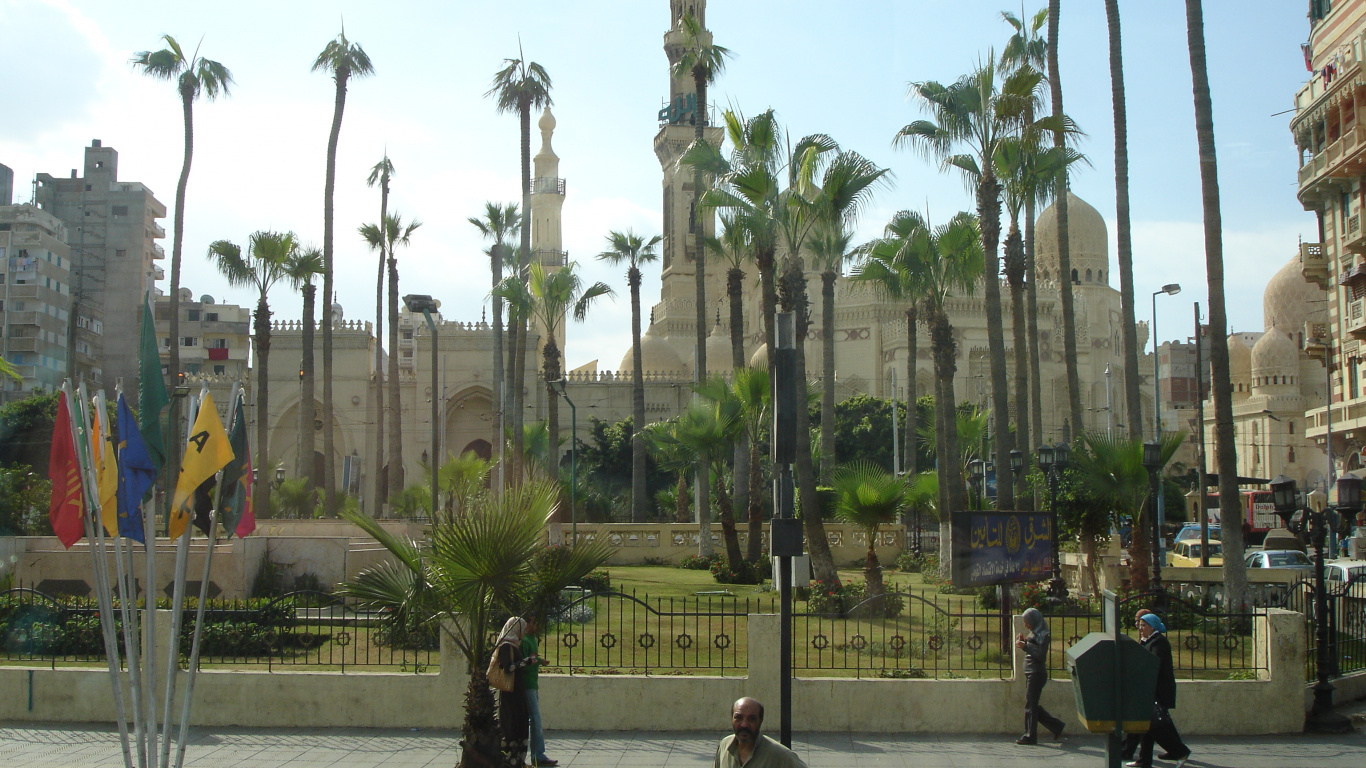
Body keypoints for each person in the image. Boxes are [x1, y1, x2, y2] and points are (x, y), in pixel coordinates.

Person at [1123, 612, 1191, 768]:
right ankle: (1144, 760)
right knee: (1147, 726)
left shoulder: (1159, 642)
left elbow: (1153, 664)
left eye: (1143, 625)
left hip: (1159, 690)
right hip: (1149, 690)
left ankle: (1180, 751)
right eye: (1139, 625)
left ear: (1152, 627)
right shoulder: (1148, 641)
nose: (1140, 628)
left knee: (1157, 726)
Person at [1015, 607, 1065, 745]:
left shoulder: (1043, 635)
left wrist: (1025, 647)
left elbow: (1040, 655)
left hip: (1036, 673)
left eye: (1027, 622)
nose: (1025, 625)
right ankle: (1056, 726)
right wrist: (1024, 642)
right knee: (1031, 704)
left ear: (1034, 621)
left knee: (1030, 705)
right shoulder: (1035, 633)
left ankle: (1030, 735)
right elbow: (1033, 647)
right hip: (1031, 672)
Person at [714, 697, 807, 768]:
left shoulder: (781, 756)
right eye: (739, 718)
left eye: (752, 719)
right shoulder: (724, 746)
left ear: (760, 720)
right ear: (732, 718)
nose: (744, 725)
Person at [493, 617, 532, 767]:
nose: (525, 631)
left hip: (518, 692)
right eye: (523, 628)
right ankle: (510, 760)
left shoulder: (515, 645)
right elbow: (508, 667)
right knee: (511, 725)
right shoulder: (505, 646)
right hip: (510, 695)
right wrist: (525, 662)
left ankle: (519, 760)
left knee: (521, 724)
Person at [521, 616, 557, 767]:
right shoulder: (524, 641)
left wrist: (540, 661)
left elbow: (533, 659)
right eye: (534, 623)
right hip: (527, 684)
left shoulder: (533, 639)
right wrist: (532, 660)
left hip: (533, 683)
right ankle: (538, 755)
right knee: (535, 719)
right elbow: (522, 662)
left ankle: (537, 755)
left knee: (534, 719)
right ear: (527, 624)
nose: (536, 625)